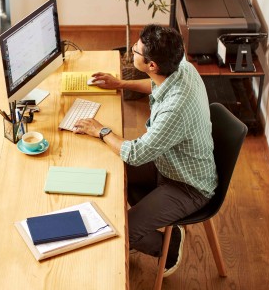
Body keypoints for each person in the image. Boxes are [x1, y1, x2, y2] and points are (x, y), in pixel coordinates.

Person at [74, 24, 217, 277]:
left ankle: (168, 247)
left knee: (120, 229)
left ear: (152, 65)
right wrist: (120, 83)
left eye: (136, 50)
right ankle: (141, 230)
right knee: (110, 171)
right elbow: (156, 86)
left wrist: (101, 131)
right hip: (169, 161)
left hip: (187, 185)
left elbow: (136, 153)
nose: (132, 50)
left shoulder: (175, 110)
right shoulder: (181, 67)